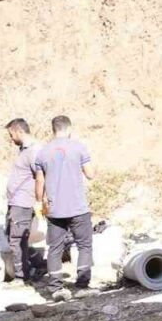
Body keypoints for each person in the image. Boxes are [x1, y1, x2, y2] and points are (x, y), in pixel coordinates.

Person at [34, 115, 95, 289]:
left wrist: (39, 202)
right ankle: (82, 285)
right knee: (84, 245)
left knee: (55, 248)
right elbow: (90, 174)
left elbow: (39, 182)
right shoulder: (79, 148)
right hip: (78, 207)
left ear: (53, 129)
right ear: (69, 129)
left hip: (54, 209)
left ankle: (55, 287)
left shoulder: (43, 152)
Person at [3, 118, 39, 284]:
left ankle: (21, 277)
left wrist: (40, 199)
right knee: (17, 238)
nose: (11, 138)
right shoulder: (24, 150)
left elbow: (41, 176)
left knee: (16, 239)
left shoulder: (33, 150)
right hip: (17, 201)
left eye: (11, 134)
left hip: (23, 202)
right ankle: (25, 271)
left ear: (19, 131)